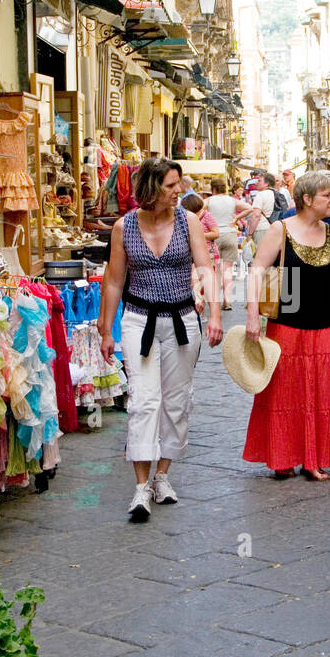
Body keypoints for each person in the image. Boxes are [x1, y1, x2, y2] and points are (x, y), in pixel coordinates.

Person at [100, 158, 224, 521]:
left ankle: (163, 476)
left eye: (178, 184)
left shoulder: (188, 222)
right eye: (171, 186)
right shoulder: (125, 227)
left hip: (183, 319)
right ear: (152, 188)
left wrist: (214, 313)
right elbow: (113, 280)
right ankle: (141, 488)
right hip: (139, 320)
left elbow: (205, 267)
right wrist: (106, 329)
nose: (179, 192)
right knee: (143, 401)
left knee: (175, 402)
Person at [244, 172, 330, 481]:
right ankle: (284, 457)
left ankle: (312, 459)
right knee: (284, 392)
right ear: (307, 199)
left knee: (321, 392)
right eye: (326, 195)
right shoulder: (280, 230)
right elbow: (256, 271)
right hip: (287, 323)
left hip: (323, 326)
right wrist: (253, 315)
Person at [205, 178, 258, 311]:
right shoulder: (232, 200)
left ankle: (215, 300)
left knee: (215, 269)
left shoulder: (209, 201)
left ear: (213, 189)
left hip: (214, 236)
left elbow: (197, 208)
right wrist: (236, 218)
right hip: (230, 235)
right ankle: (227, 301)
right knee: (228, 269)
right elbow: (250, 208)